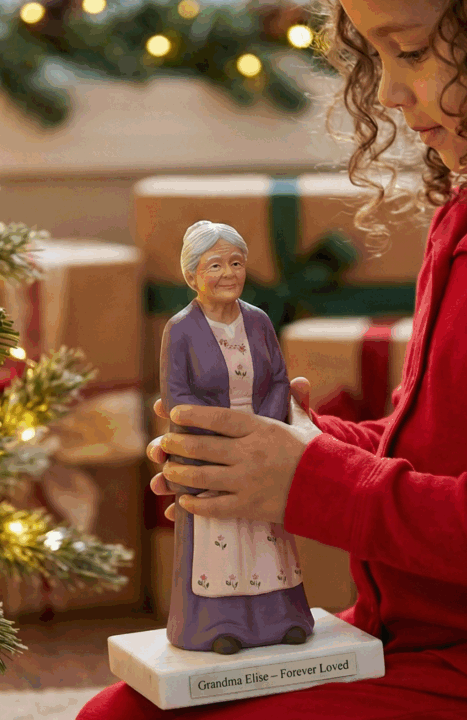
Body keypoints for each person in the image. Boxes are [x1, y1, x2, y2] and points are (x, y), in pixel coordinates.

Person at [77, 0, 467, 716]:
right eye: (373, 55)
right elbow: (452, 453)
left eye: (411, 51)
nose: (390, 96)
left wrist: (308, 481)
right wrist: (292, 444)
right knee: (122, 708)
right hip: (414, 632)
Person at [159, 220, 314, 654]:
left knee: (265, 534)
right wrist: (221, 434)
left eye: (236, 262)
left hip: (263, 442)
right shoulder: (181, 329)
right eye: (215, 265)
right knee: (221, 534)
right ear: (192, 276)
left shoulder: (260, 321)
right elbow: (176, 393)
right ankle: (217, 626)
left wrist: (262, 429)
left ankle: (282, 618)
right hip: (211, 448)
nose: (228, 273)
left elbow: (280, 379)